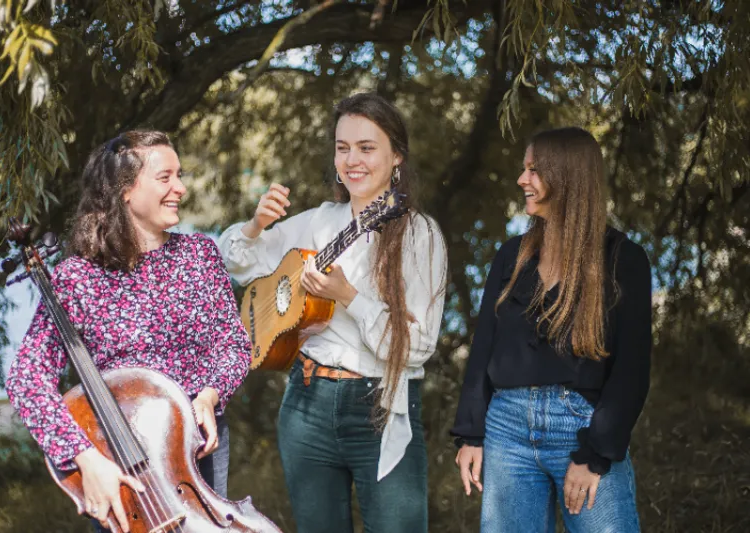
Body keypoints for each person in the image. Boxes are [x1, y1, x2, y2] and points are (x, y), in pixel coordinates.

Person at [217, 93, 447, 533]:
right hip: (306, 404)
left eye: (366, 147)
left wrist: (349, 297)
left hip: (379, 405)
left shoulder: (419, 234)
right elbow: (237, 262)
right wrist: (255, 226)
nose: (352, 160)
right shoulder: (319, 222)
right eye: (342, 148)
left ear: (396, 155)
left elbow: (417, 347)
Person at [6, 130, 252, 532]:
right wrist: (85, 459)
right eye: (165, 177)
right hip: (121, 457)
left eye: (180, 174)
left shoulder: (199, 255)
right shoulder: (79, 277)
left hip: (197, 446)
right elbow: (26, 378)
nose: (180, 187)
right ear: (124, 191)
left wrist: (211, 393)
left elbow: (234, 344)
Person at [451, 127, 651, 532]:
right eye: (524, 169)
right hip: (505, 430)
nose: (522, 179)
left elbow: (632, 371)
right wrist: (471, 435)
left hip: (580, 429)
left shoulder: (623, 260)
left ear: (568, 178)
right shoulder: (511, 255)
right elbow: (484, 350)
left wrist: (594, 455)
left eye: (534, 170)